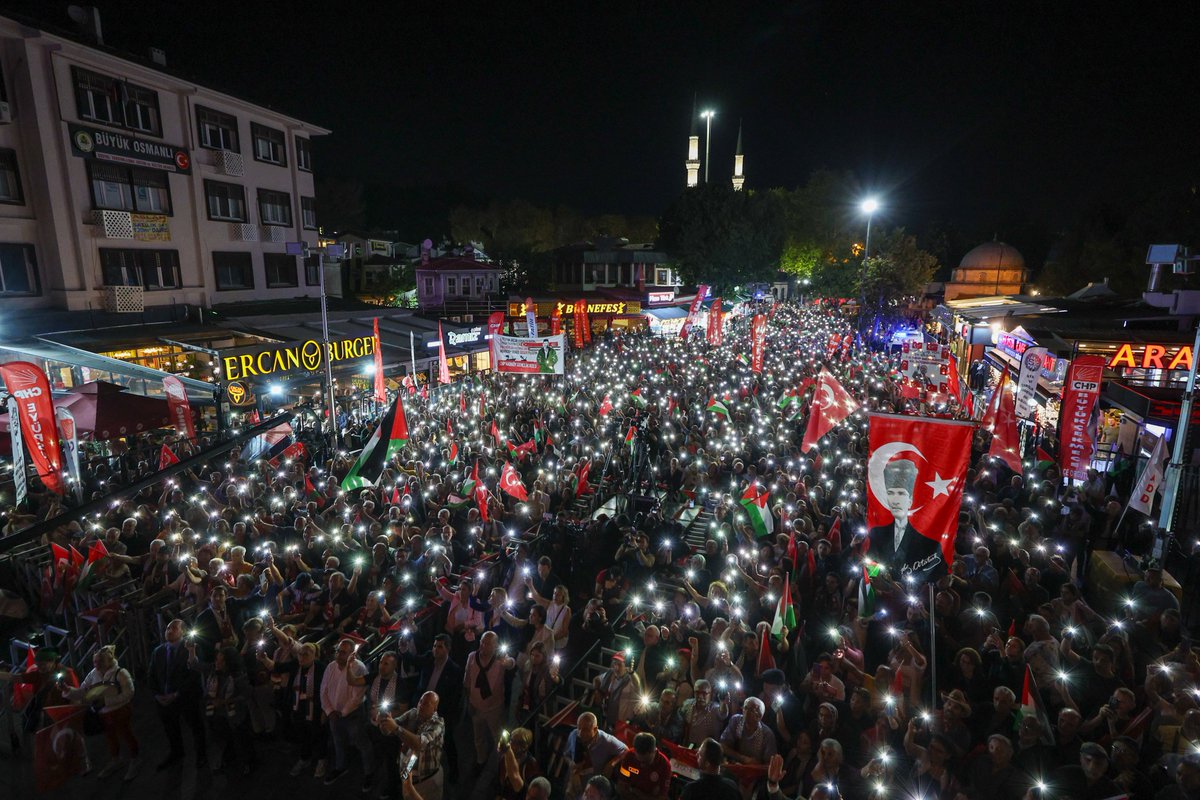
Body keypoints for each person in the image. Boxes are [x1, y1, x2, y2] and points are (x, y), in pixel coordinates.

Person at [61, 644, 140, 781]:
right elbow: (82, 692)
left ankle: (135, 760)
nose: (96, 664)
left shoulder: (121, 673)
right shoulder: (93, 674)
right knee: (111, 737)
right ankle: (116, 759)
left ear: (108, 660)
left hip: (120, 711)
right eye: (95, 661)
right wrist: (68, 690)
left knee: (126, 734)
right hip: (104, 714)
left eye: (100, 661)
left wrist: (107, 702)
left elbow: (129, 693)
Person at [866, 458, 946, 581]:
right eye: (890, 493)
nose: (895, 500)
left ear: (910, 500)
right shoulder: (877, 533)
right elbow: (871, 560)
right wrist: (878, 579)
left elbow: (937, 574)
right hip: (882, 590)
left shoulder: (929, 542)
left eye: (901, 493)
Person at [148, 618, 208, 771]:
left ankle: (201, 755)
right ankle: (176, 752)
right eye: (168, 628)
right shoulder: (158, 651)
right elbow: (152, 676)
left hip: (186, 697)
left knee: (195, 727)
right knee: (171, 728)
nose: (169, 631)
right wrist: (157, 695)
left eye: (174, 628)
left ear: (183, 632)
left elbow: (193, 676)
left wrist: (176, 694)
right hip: (164, 698)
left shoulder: (191, 648)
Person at [321, 637, 375, 789]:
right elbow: (323, 689)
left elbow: (357, 696)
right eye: (338, 651)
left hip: (353, 714)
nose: (338, 655)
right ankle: (341, 766)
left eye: (343, 653)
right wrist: (330, 710)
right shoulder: (331, 666)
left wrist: (342, 712)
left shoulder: (359, 668)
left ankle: (369, 773)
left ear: (352, 654)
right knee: (338, 741)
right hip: (334, 714)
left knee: (362, 743)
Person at [464, 630, 516, 768]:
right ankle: (481, 760)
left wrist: (508, 662)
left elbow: (512, 663)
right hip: (476, 705)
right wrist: (469, 701)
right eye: (482, 642)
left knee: (497, 737)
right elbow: (467, 681)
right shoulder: (471, 657)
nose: (483, 646)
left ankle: (501, 763)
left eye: (487, 644)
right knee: (478, 737)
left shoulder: (500, 660)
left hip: (494, 708)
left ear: (495, 646)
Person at [380, 691, 444, 800]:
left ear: (435, 709)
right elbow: (388, 731)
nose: (421, 705)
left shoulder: (438, 724)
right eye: (420, 701)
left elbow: (419, 745)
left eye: (426, 704)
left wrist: (395, 728)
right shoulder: (413, 713)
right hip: (408, 778)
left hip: (426, 780)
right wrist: (384, 721)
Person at [564, 712, 628, 799]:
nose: (580, 733)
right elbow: (566, 755)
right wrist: (571, 764)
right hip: (572, 783)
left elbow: (626, 750)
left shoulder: (607, 741)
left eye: (585, 729)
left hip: (591, 790)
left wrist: (612, 764)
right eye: (578, 727)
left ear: (595, 729)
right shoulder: (573, 734)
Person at [614, 731, 672, 800]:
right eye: (639, 761)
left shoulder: (664, 765)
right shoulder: (629, 756)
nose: (642, 765)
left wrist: (637, 792)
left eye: (646, 762)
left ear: (654, 751)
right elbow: (621, 786)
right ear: (634, 751)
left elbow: (662, 797)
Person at [720, 695, 777, 765]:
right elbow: (723, 746)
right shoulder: (736, 721)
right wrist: (743, 758)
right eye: (745, 708)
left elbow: (769, 763)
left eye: (752, 710)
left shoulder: (767, 734)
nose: (746, 712)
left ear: (759, 716)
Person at [498, 727, 543, 800]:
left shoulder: (531, 766)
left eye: (518, 743)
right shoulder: (504, 758)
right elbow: (498, 782)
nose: (513, 745)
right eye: (512, 740)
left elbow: (527, 792)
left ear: (526, 746)